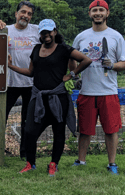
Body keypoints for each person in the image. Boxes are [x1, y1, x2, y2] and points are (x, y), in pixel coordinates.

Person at [8, 19, 92, 176]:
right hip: (38, 97)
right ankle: (30, 163)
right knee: (29, 131)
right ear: (40, 34)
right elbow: (31, 72)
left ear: (54, 31)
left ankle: (54, 164)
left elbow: (86, 60)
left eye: (49, 31)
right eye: (43, 32)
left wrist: (71, 75)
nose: (46, 35)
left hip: (57, 98)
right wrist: (11, 66)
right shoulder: (36, 49)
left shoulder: (63, 49)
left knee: (58, 131)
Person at [71, 0, 125, 174]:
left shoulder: (116, 36)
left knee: (111, 130)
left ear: (107, 13)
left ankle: (112, 163)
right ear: (89, 14)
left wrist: (113, 65)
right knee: (85, 130)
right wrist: (75, 75)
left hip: (108, 91)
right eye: (94, 10)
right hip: (86, 91)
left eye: (101, 10)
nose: (98, 13)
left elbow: (123, 63)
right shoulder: (81, 36)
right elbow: (71, 58)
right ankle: (81, 160)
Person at [0, 1, 40, 159]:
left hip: (30, 83)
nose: (26, 16)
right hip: (9, 83)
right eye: (23, 12)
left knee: (27, 121)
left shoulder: (37, 30)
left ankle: (25, 154)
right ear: (16, 13)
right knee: (0, 118)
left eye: (29, 14)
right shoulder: (6, 30)